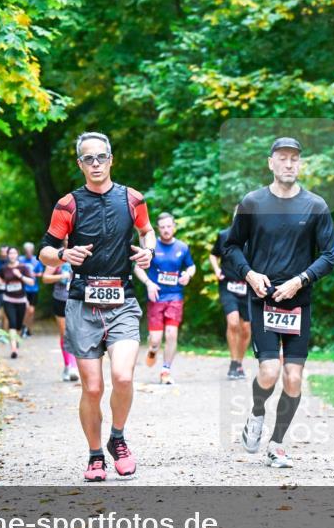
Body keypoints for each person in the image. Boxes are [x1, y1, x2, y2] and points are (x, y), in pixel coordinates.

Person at [38, 131, 156, 482]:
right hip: (82, 304)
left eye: (101, 157)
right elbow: (45, 251)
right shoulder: (68, 205)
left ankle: (117, 439)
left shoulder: (132, 198)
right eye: (88, 158)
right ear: (80, 164)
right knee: (92, 388)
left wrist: (149, 250)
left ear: (111, 159)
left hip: (122, 300)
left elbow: (147, 231)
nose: (95, 164)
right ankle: (94, 456)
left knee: (123, 376)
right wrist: (63, 254)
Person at [225, 137, 334, 468]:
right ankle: (257, 412)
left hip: (298, 301)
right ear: (270, 163)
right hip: (263, 299)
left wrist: (300, 280)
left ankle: (276, 444)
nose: (289, 164)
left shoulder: (315, 206)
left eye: (294, 159)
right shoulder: (253, 202)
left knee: (293, 377)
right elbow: (231, 247)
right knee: (270, 371)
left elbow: (329, 255)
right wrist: (249, 275)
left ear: (300, 163)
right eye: (283, 158)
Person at [133, 212, 196, 385]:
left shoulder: (182, 247)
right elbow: (138, 268)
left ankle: (165, 371)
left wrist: (188, 275)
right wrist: (149, 283)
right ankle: (153, 349)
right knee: (155, 340)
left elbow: (191, 266)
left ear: (174, 227)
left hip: (175, 296)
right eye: (162, 227)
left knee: (171, 334)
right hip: (157, 297)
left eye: (169, 226)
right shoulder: (152, 247)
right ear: (158, 229)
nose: (166, 230)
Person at [210, 226, 251, 379]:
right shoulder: (223, 235)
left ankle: (239, 363)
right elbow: (213, 255)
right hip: (228, 285)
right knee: (233, 323)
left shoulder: (255, 237)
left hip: (248, 287)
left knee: (245, 328)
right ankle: (233, 363)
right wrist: (217, 270)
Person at [42, 261, 79, 381]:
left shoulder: (83, 255)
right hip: (61, 299)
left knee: (75, 333)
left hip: (78, 300)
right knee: (65, 333)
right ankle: (69, 366)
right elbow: (45, 278)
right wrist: (62, 276)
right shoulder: (56, 258)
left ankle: (73, 366)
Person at [0, 247, 35, 359]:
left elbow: (31, 282)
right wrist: (0, 283)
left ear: (17, 255)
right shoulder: (4, 268)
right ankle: (13, 349)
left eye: (14, 253)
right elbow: (0, 280)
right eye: (10, 253)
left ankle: (16, 341)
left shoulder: (23, 267)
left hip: (21, 300)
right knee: (12, 323)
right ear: (7, 255)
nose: (12, 255)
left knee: (18, 325)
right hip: (8, 299)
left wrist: (20, 276)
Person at [20, 241, 44, 337]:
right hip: (23, 288)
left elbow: (41, 273)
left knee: (31, 311)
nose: (28, 252)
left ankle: (28, 329)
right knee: (25, 309)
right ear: (24, 251)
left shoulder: (36, 260)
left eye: (30, 250)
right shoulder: (20, 259)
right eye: (27, 250)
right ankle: (23, 328)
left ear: (33, 250)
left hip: (34, 289)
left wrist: (35, 274)